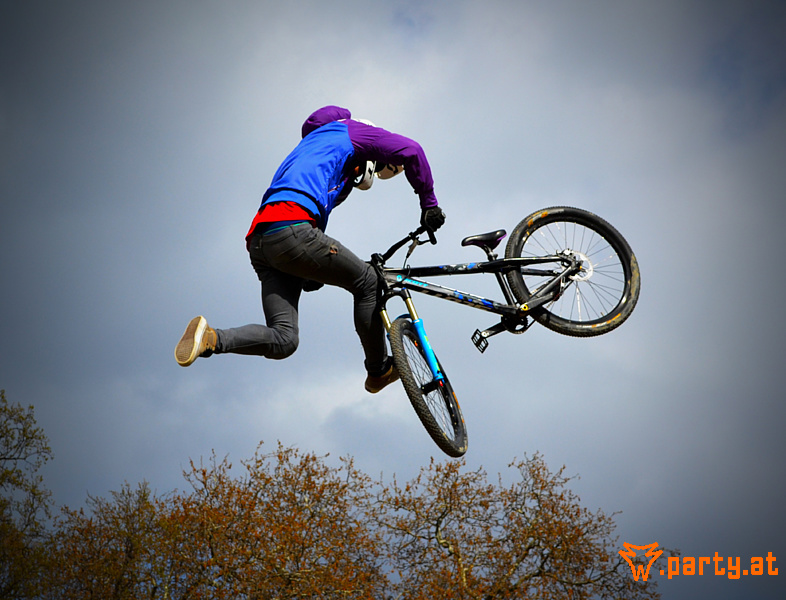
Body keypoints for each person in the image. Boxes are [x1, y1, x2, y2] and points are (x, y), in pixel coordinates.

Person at [174, 105, 445, 393]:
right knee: (367, 282)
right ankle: (378, 371)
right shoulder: (351, 131)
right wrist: (429, 203)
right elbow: (412, 150)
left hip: (263, 242)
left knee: (284, 340)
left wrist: (309, 272)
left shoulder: (310, 147)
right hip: (291, 227)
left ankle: (211, 338)